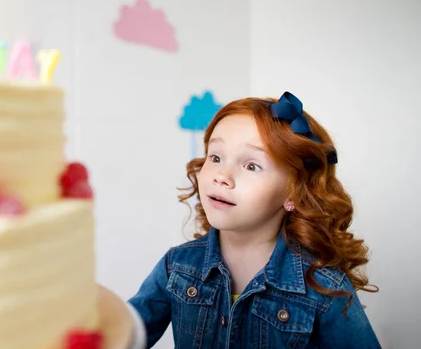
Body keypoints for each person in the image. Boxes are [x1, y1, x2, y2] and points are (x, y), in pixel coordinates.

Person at [128, 92, 381, 348]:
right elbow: (122, 335)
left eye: (251, 166)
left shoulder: (324, 286)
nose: (222, 176)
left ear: (294, 192)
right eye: (215, 157)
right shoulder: (177, 267)